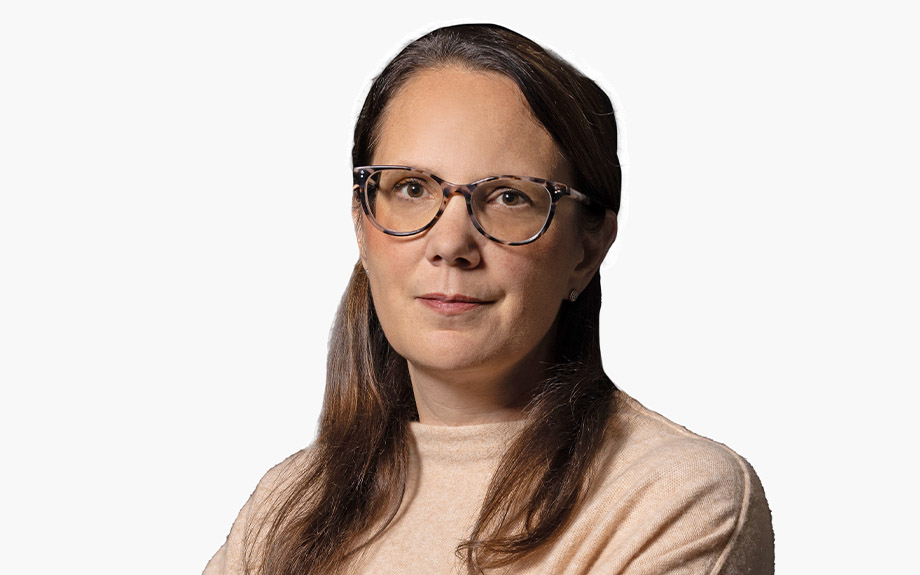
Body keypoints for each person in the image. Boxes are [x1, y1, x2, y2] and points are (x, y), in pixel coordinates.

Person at [204, 23, 774, 575]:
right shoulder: (288, 503)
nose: (450, 244)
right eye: (411, 188)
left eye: (508, 197)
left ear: (586, 249)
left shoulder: (673, 497)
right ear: (362, 223)